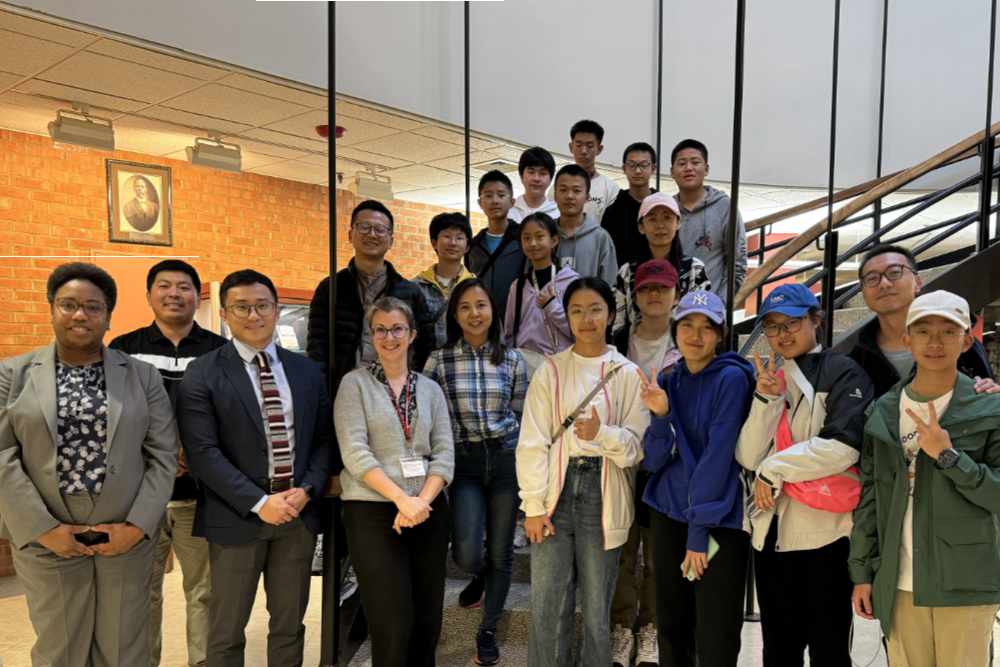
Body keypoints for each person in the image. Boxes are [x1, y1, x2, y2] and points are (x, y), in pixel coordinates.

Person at [0, 262, 178, 666]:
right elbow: (1, 456)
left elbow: (163, 455)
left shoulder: (142, 376)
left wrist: (136, 527)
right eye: (68, 304)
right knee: (61, 647)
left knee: (123, 647)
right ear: (51, 309)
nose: (80, 315)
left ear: (108, 316)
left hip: (124, 536)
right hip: (46, 538)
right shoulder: (12, 374)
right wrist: (43, 529)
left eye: (93, 307)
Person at [177, 269, 332, 666]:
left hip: (297, 516)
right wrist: (260, 501)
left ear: (277, 310)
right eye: (241, 307)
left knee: (288, 625)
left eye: (262, 305)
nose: (254, 315)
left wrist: (308, 488)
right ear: (225, 314)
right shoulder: (203, 372)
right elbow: (202, 452)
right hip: (235, 518)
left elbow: (322, 440)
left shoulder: (306, 370)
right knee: (227, 629)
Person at [848, 290, 1000, 667]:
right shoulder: (882, 412)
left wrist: (949, 457)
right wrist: (863, 572)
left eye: (949, 332)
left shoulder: (989, 407)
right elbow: (871, 497)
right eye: (924, 331)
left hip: (965, 582)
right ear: (906, 339)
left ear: (967, 340)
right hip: (898, 583)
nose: (935, 342)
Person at [736, 283, 874, 666]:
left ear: (817, 320)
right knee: (779, 652)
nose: (782, 334)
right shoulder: (771, 377)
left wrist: (773, 468)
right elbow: (748, 456)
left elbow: (844, 446)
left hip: (826, 538)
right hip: (771, 537)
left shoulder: (842, 372)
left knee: (829, 650)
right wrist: (766, 399)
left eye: (792, 323)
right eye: (773, 326)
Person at [517, 276, 650, 667]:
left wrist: (601, 434)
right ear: (567, 317)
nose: (586, 319)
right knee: (547, 605)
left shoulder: (626, 373)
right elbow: (532, 441)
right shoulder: (551, 371)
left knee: (597, 607)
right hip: (554, 494)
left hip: (603, 493)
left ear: (610, 314)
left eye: (595, 310)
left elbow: (636, 448)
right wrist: (534, 506)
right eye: (577, 311)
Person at [109, 259, 226, 667]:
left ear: (197, 296)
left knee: (206, 591)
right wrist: (158, 455)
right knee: (141, 591)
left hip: (202, 495)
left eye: (183, 287)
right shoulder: (123, 349)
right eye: (164, 286)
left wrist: (194, 456)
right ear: (149, 295)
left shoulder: (220, 351)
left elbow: (230, 417)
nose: (174, 294)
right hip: (140, 498)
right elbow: (112, 418)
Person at [334, 296, 454, 667]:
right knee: (392, 620)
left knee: (427, 618)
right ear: (371, 336)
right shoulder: (354, 385)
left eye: (397, 328)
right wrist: (403, 499)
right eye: (380, 330)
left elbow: (444, 455)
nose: (389, 337)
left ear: (412, 334)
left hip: (428, 510)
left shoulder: (430, 389)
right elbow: (355, 453)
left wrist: (422, 501)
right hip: (372, 510)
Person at [638, 289, 755, 666]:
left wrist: (698, 533)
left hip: (716, 521)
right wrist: (659, 415)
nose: (695, 334)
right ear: (674, 329)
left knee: (715, 629)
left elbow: (717, 458)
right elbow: (654, 459)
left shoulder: (732, 379)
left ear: (721, 334)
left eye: (707, 327)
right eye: (687, 324)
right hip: (669, 513)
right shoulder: (669, 379)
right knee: (672, 624)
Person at [424, 278, 528, 666]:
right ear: (455, 314)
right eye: (465, 306)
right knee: (467, 551)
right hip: (463, 462)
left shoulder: (513, 360)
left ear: (493, 311)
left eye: (481, 305)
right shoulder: (439, 360)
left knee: (502, 553)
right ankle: (479, 574)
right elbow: (430, 415)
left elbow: (519, 414)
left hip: (503, 460)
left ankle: (488, 628)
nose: (474, 313)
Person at [608, 259, 682, 667]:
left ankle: (650, 627)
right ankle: (621, 627)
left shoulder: (686, 341)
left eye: (663, 288)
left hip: (666, 465)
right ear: (635, 296)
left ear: (675, 295)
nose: (655, 295)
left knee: (657, 554)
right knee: (622, 549)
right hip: (622, 460)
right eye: (647, 288)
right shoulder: (616, 341)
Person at [848, 243, 998, 398]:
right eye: (872, 278)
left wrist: (991, 391)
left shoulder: (962, 346)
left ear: (918, 283)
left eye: (894, 272)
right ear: (864, 293)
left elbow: (985, 396)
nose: (884, 284)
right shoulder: (857, 359)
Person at [614, 192, 711, 336]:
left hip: (683, 352)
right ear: (641, 226)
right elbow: (618, 323)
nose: (660, 225)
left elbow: (702, 316)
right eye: (652, 219)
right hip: (635, 352)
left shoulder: (694, 269)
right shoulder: (627, 272)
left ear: (678, 222)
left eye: (667, 218)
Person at [671, 139, 747, 303]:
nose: (689, 168)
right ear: (672, 172)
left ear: (706, 169)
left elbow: (737, 264)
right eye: (682, 163)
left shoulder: (724, 206)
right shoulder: (667, 210)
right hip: (672, 310)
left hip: (711, 309)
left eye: (695, 162)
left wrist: (718, 305)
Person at [503, 212, 578, 375]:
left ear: (554, 240)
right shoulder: (518, 286)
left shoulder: (571, 282)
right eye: (527, 238)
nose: (533, 243)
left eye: (539, 236)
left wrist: (552, 307)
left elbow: (578, 329)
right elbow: (509, 333)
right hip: (525, 368)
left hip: (563, 366)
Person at [466, 170, 525, 317]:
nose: (495, 201)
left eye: (501, 195)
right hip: (482, 322)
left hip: (518, 322)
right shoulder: (473, 246)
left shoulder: (524, 239)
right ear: (480, 203)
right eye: (488, 195)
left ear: (512, 201)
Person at [414, 212, 476, 350]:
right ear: (434, 242)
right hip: (424, 365)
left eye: (459, 238)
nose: (453, 243)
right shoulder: (416, 287)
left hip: (464, 363)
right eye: (446, 236)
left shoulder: (476, 288)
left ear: (467, 247)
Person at [553, 164, 619, 286]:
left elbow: (610, 287)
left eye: (577, 191)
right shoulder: (546, 233)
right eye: (563, 190)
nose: (569, 196)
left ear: (587, 197)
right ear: (555, 195)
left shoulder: (601, 238)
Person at [602, 141, 658, 267]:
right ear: (624, 168)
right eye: (632, 165)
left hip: (658, 276)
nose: (638, 171)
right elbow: (606, 253)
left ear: (653, 168)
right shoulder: (612, 211)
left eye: (644, 165)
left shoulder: (662, 207)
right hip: (622, 280)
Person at [569, 119, 621, 223]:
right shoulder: (559, 184)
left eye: (589, 146)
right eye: (578, 145)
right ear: (571, 147)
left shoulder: (610, 189)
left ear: (599, 149)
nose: (584, 151)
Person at [509, 146, 560, 224]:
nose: (536, 178)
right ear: (521, 176)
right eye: (531, 172)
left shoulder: (558, 213)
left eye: (542, 173)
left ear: (551, 179)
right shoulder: (509, 211)